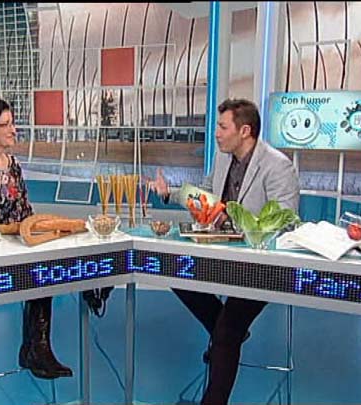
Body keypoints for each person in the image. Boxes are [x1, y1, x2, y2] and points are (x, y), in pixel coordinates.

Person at [150, 98, 299, 404]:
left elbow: (286, 222)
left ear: (245, 131)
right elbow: (206, 198)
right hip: (223, 257)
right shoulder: (222, 159)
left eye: (222, 127)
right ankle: (226, 332)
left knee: (226, 333)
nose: (216, 133)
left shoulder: (278, 166)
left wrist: (236, 222)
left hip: (261, 267)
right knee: (176, 273)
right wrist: (169, 194)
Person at [0, 96, 73, 380]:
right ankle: (34, 350)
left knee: (48, 265)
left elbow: (24, 209)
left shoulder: (13, 164)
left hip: (19, 244)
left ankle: (37, 348)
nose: (13, 129)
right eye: (5, 124)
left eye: (12, 123)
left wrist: (37, 230)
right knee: (37, 272)